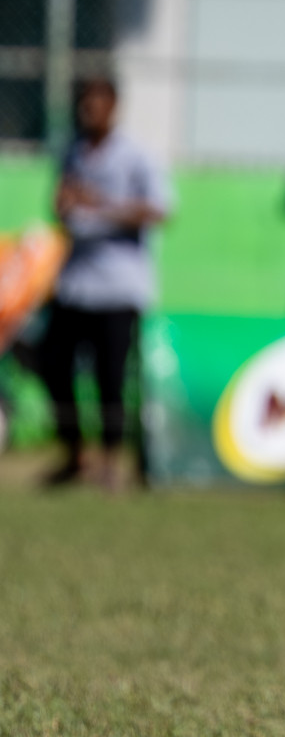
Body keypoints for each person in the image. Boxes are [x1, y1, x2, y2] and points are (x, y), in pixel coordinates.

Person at [41, 79, 171, 489]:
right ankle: (75, 453)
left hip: (118, 286)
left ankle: (112, 461)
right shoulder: (73, 153)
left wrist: (101, 204)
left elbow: (161, 209)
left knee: (109, 377)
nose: (88, 113)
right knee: (52, 361)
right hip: (77, 283)